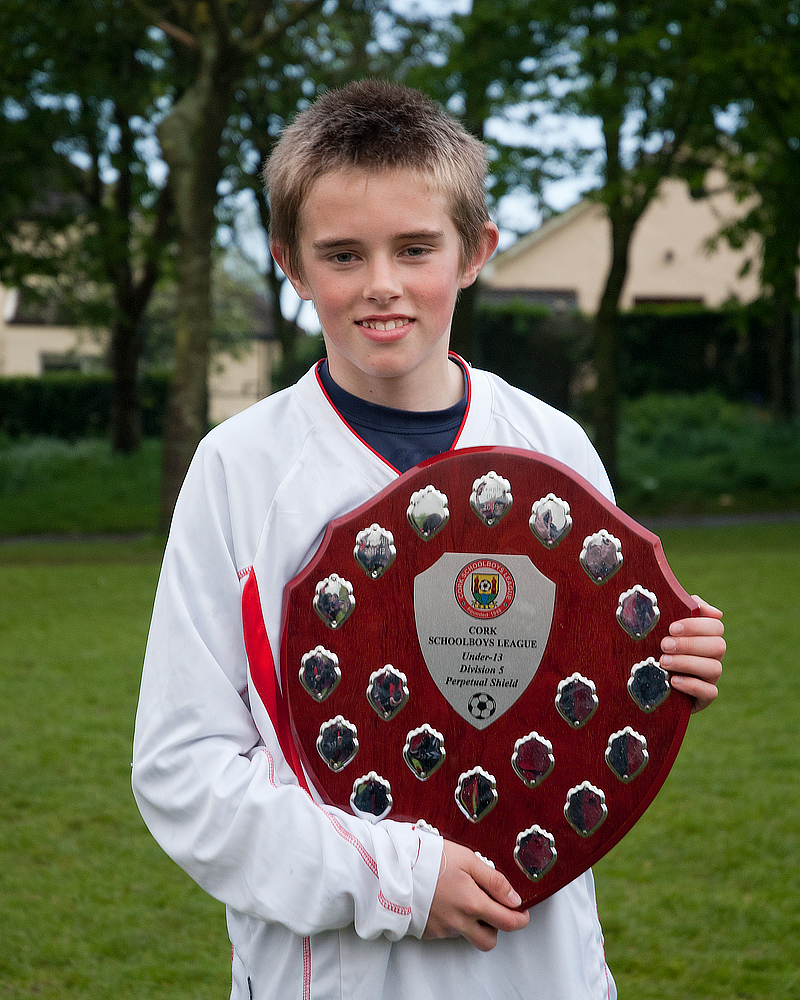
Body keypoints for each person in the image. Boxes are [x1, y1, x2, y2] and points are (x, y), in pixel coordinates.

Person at [132, 79, 725, 1000]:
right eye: (342, 254)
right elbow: (183, 771)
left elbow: (592, 689)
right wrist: (396, 878)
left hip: (543, 968)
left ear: (476, 251)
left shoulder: (554, 448)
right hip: (340, 975)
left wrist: (665, 663)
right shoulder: (240, 470)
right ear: (290, 264)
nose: (382, 285)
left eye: (416, 249)